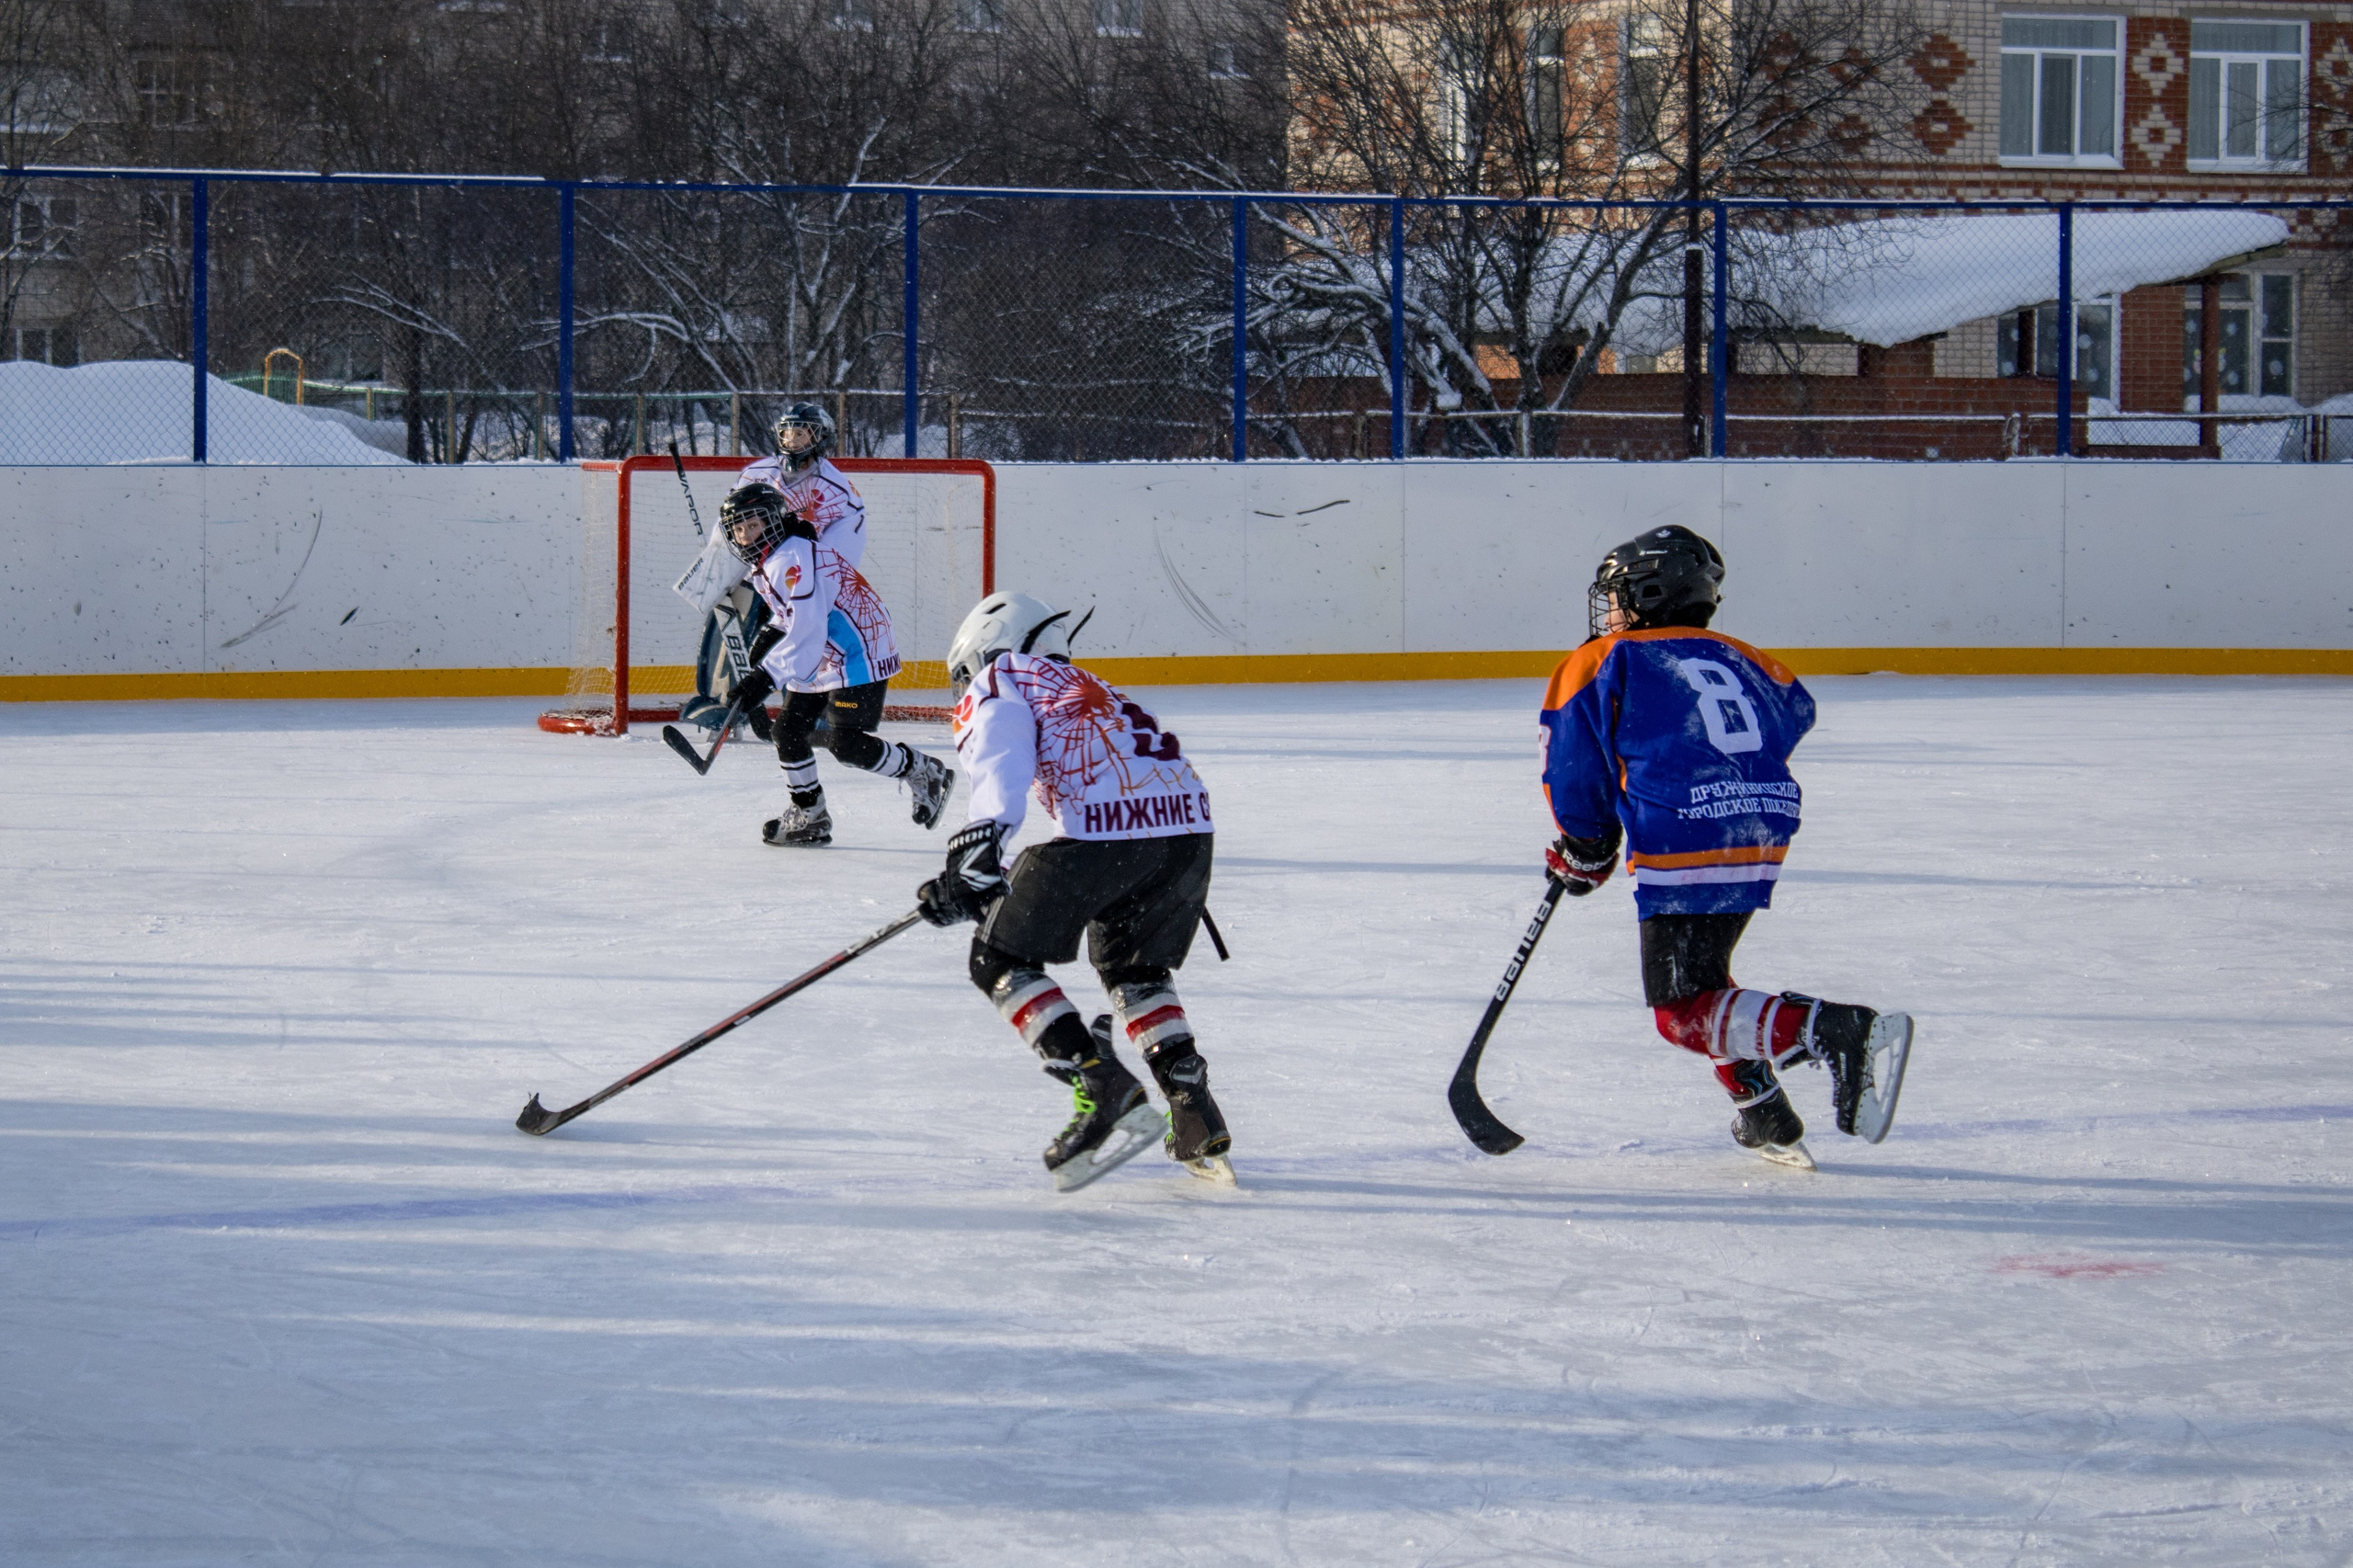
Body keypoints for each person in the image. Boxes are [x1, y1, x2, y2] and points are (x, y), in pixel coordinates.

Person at [1539, 524, 1913, 1169]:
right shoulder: (1746, 655)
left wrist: (1587, 843)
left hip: (1688, 833)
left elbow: (1574, 764)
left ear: (1650, 591)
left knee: (1680, 1011)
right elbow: (1795, 709)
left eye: (1621, 594)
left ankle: (1831, 1029)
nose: (1613, 609)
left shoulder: (1605, 659)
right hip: (1760, 825)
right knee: (1708, 983)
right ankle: (1759, 1102)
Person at [914, 591, 1233, 1192]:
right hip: (1187, 833)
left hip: (1116, 838)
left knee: (997, 957)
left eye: (963, 675)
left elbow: (1000, 767)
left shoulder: (1002, 676)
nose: (963, 690)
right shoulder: (1089, 683)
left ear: (988, 647)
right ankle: (1192, 1109)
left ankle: (1102, 1087)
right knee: (1133, 971)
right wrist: (982, 884)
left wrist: (974, 854)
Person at [719, 461, 954, 846]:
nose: (746, 536)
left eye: (754, 525)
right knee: (788, 731)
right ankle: (810, 817)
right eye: (739, 529)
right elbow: (797, 616)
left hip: (859, 647)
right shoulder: (770, 561)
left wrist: (764, 677)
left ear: (774, 520)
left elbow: (809, 630)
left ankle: (924, 772)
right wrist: (771, 635)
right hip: (823, 648)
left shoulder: (792, 560)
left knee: (847, 744)